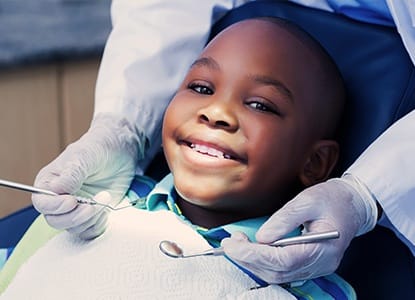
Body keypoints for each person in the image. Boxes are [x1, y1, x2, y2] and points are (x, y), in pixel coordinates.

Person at [31, 0, 415, 285]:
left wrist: (365, 195)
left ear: (316, 163)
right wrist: (123, 126)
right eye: (200, 87)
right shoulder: (83, 213)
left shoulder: (298, 284)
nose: (216, 112)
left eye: (260, 105)